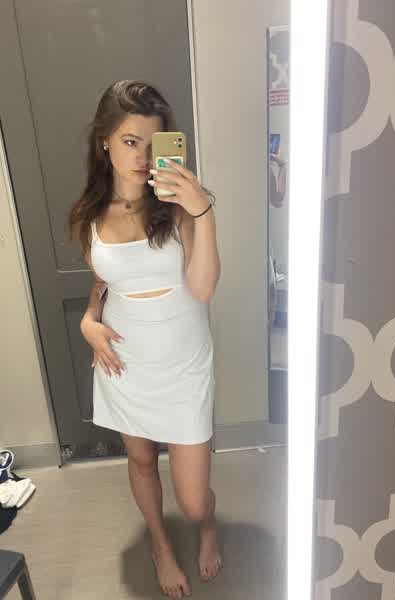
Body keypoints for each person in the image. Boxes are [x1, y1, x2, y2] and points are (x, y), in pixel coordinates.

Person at [66, 80, 222, 599]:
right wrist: (89, 321)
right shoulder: (88, 216)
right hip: (125, 361)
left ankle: (205, 524)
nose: (141, 157)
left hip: (183, 361)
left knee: (194, 500)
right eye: (130, 141)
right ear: (104, 142)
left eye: (153, 145)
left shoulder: (179, 206)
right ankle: (159, 544)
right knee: (139, 461)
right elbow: (104, 283)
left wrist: (202, 212)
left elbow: (202, 288)